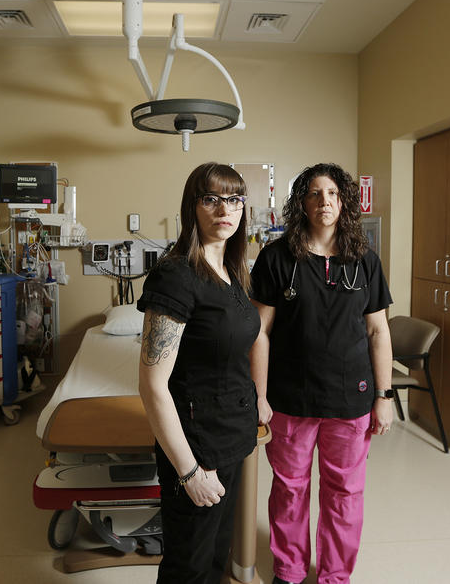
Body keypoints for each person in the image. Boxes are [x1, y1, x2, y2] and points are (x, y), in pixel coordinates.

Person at [249, 163, 393, 584]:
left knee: (345, 494)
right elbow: (260, 332)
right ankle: (290, 570)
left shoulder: (364, 260)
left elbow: (378, 330)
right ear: (302, 202)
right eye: (314, 193)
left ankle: (334, 575)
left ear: (344, 201)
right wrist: (260, 396)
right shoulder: (277, 258)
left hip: (351, 401)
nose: (324, 201)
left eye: (332, 193)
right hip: (291, 399)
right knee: (290, 490)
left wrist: (384, 396)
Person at [137, 162, 261, 584]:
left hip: (232, 437)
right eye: (211, 199)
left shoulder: (233, 270)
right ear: (193, 206)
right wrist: (189, 471)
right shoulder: (176, 276)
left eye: (233, 199)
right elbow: (153, 385)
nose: (223, 209)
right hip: (197, 448)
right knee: (187, 567)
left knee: (213, 560)